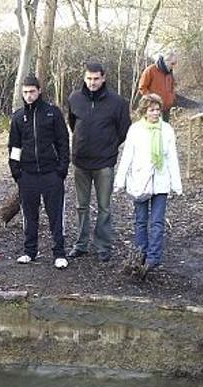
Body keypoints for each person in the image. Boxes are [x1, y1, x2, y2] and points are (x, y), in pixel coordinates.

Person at [67, 62, 131, 262]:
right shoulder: (74, 98)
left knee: (104, 207)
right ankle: (81, 244)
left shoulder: (118, 102)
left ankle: (103, 245)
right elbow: (72, 124)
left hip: (104, 163)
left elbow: (124, 131)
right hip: (80, 162)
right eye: (89, 78)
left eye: (96, 78)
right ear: (84, 78)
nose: (92, 82)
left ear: (103, 78)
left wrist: (109, 147)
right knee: (81, 206)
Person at [7, 75, 71, 269]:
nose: (29, 95)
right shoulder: (18, 116)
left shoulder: (52, 113)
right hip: (27, 174)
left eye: (32, 91)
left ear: (39, 90)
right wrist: (16, 170)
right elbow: (15, 146)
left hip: (51, 172)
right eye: (25, 92)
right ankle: (29, 251)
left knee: (55, 214)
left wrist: (62, 168)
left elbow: (62, 142)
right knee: (29, 214)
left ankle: (59, 253)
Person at [114, 94, 183, 271]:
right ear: (144, 111)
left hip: (160, 181)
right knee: (140, 220)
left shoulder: (166, 130)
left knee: (158, 222)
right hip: (140, 181)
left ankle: (153, 258)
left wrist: (176, 184)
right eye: (151, 110)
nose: (155, 113)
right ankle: (139, 254)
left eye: (158, 110)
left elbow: (172, 158)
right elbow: (127, 156)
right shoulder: (136, 130)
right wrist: (120, 180)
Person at [138, 51, 177, 122]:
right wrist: (152, 99)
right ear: (166, 61)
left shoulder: (169, 73)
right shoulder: (150, 70)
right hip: (153, 109)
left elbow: (172, 87)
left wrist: (171, 98)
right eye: (172, 63)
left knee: (164, 129)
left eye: (175, 63)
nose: (174, 66)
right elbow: (142, 87)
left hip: (166, 108)